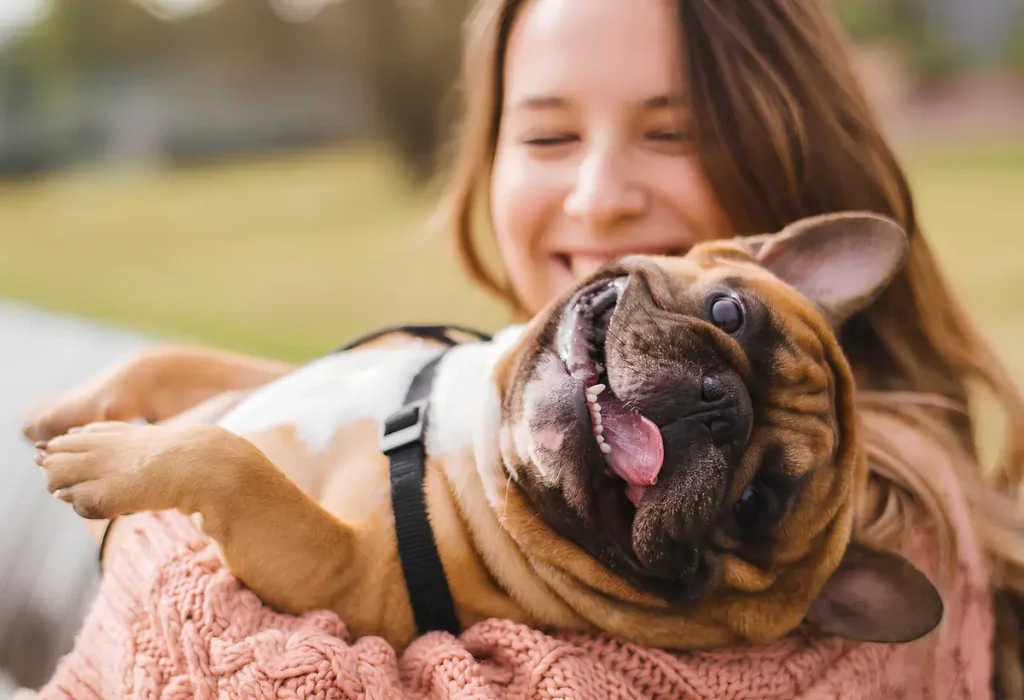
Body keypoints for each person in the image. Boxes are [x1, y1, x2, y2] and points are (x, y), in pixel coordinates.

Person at [35, 0, 1024, 697]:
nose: (598, 197)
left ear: (792, 155)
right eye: (549, 138)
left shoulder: (890, 523)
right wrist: (175, 383)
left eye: (670, 135)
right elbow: (334, 410)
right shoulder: (495, 398)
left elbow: (219, 672)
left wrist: (150, 522)